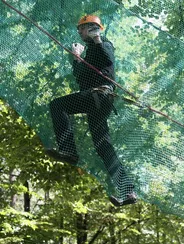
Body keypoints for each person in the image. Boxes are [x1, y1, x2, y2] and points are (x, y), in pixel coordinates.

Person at [45, 15, 136, 206]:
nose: (79, 32)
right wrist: (76, 57)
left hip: (100, 96)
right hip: (97, 102)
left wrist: (97, 39)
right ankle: (128, 192)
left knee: (57, 105)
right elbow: (81, 78)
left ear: (93, 28)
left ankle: (69, 151)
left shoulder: (105, 45)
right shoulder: (90, 53)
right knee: (103, 146)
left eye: (82, 28)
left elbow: (109, 60)